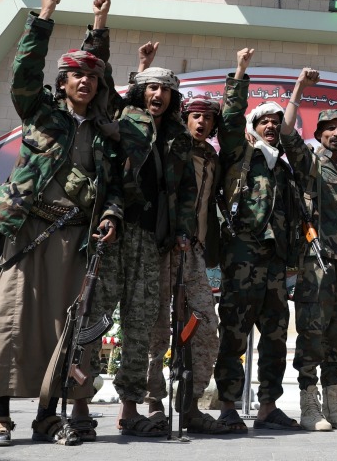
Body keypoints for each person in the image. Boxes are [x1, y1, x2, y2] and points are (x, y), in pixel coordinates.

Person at [0, 0, 124, 447]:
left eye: (91, 78)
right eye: (75, 75)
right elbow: (25, 73)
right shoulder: (40, 113)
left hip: (77, 241)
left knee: (67, 330)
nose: (85, 82)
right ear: (62, 83)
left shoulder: (103, 135)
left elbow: (114, 187)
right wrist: (44, 17)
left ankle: (46, 416)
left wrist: (112, 214)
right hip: (30, 231)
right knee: (10, 319)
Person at [93, 58, 196, 438]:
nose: (159, 95)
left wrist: (184, 230)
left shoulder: (177, 136)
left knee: (139, 326)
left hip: (153, 240)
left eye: (166, 90)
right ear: (140, 91)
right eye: (152, 88)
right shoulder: (122, 116)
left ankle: (129, 410)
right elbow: (102, 80)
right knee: (96, 315)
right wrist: (102, 30)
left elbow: (186, 190)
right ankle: (78, 404)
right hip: (116, 231)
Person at [135, 49, 228, 435]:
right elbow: (136, 114)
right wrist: (142, 70)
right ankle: (155, 403)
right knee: (158, 326)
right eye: (196, 115)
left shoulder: (211, 157)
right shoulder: (170, 145)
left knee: (204, 325)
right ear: (184, 117)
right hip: (164, 248)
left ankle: (190, 405)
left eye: (208, 116)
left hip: (197, 253)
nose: (202, 121)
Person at [212, 48, 302, 432]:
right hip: (242, 255)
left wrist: (292, 264)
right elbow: (229, 120)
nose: (270, 127)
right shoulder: (240, 154)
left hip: (275, 263)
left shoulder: (283, 168)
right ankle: (229, 406)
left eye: (275, 122)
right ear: (253, 128)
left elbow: (295, 218)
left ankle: (268, 407)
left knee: (275, 337)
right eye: (264, 121)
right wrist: (240, 72)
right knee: (233, 332)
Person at [281, 68, 337, 431]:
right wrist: (298, 89)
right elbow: (285, 133)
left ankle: (335, 403)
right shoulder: (310, 164)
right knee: (312, 337)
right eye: (329, 128)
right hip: (317, 264)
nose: (335, 133)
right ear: (319, 133)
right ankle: (309, 405)